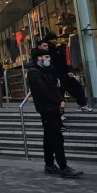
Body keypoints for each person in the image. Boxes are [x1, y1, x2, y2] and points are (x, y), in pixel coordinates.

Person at [26, 48, 83, 178]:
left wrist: (60, 99)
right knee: (56, 137)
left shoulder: (45, 70)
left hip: (51, 107)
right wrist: (58, 101)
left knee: (49, 137)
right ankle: (63, 166)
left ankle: (50, 165)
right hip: (46, 108)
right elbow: (43, 91)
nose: (49, 59)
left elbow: (53, 87)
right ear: (39, 58)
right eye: (46, 57)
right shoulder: (34, 72)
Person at [43, 33, 91, 111]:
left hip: (65, 74)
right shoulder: (46, 53)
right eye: (52, 39)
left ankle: (82, 105)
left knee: (78, 88)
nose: (54, 41)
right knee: (59, 95)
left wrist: (69, 71)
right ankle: (60, 112)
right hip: (56, 76)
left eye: (55, 39)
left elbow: (64, 62)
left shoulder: (58, 50)